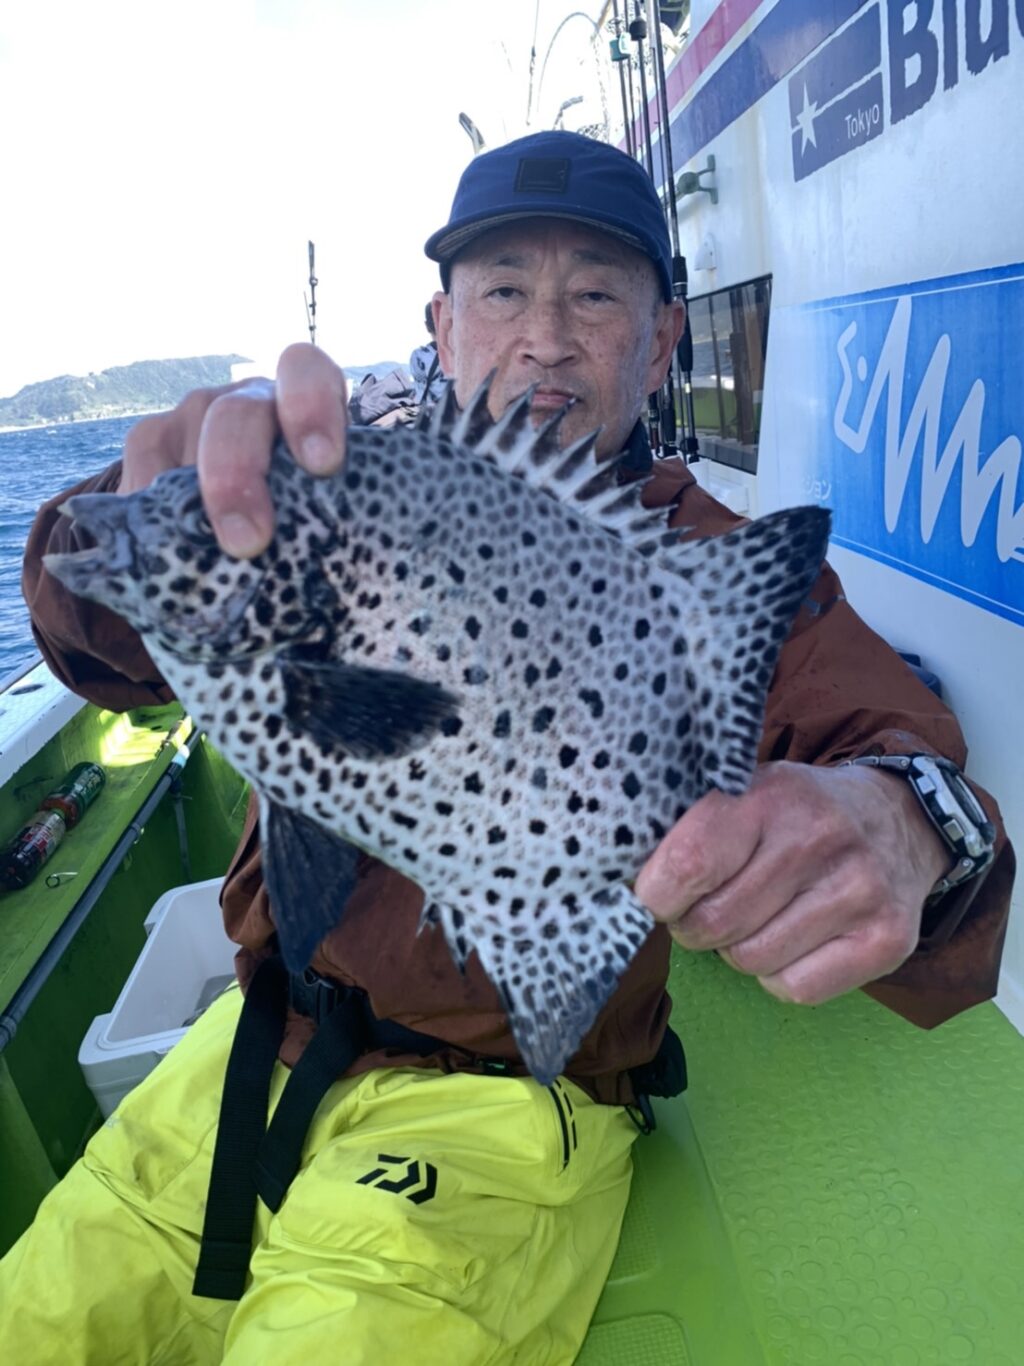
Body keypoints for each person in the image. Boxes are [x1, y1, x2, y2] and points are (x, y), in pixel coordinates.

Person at [2, 131, 1015, 1363]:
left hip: (501, 1118)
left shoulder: (705, 568)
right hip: (244, 1043)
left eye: (593, 295)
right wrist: (134, 507)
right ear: (439, 324)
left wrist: (906, 824)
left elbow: (906, 764)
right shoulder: (314, 489)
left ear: (660, 341)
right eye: (500, 291)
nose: (543, 337)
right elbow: (97, 633)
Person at [409, 301, 448, 404]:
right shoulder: (460, 354)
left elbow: (421, 393)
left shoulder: (418, 356)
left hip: (434, 412)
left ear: (426, 326)